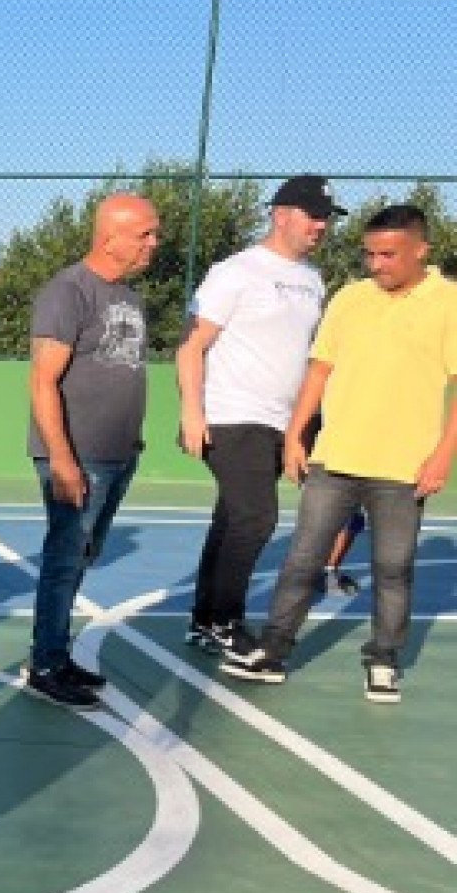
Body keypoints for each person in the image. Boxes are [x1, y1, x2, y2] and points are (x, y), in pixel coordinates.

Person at [222, 205, 457, 703]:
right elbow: (320, 369)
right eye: (370, 254)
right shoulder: (350, 298)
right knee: (302, 560)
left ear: (421, 250)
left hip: (403, 469)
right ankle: (273, 651)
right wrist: (295, 435)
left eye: (388, 255)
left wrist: (442, 456)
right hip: (334, 460)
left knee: (394, 570)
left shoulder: (449, 303)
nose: (377, 264)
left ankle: (384, 660)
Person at [177, 176, 339, 657]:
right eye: (313, 215)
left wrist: (304, 426)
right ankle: (226, 622)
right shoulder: (235, 271)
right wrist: (192, 412)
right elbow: (192, 346)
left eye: (326, 217)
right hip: (231, 415)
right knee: (255, 518)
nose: (321, 225)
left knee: (231, 517)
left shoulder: (314, 281)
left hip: (279, 422)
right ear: (281, 213)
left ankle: (204, 620)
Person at [23, 193, 160, 709]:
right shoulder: (68, 292)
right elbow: (42, 381)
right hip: (77, 456)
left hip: (117, 454)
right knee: (64, 559)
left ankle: (56, 653)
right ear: (110, 237)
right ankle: (44, 664)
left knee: (81, 556)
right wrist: (62, 458)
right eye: (144, 233)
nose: (154, 242)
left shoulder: (127, 296)